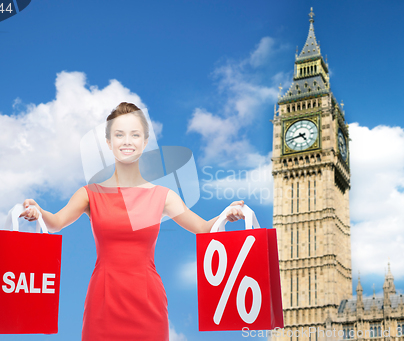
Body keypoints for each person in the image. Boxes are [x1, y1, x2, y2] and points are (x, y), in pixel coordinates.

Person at [19, 102, 245, 340]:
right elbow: (56, 222)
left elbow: (202, 229)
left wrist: (225, 215)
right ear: (109, 143)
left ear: (145, 142)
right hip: (103, 303)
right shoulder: (89, 194)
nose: (127, 141)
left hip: (149, 304)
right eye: (119, 134)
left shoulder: (163, 196)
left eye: (134, 134)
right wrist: (38, 211)